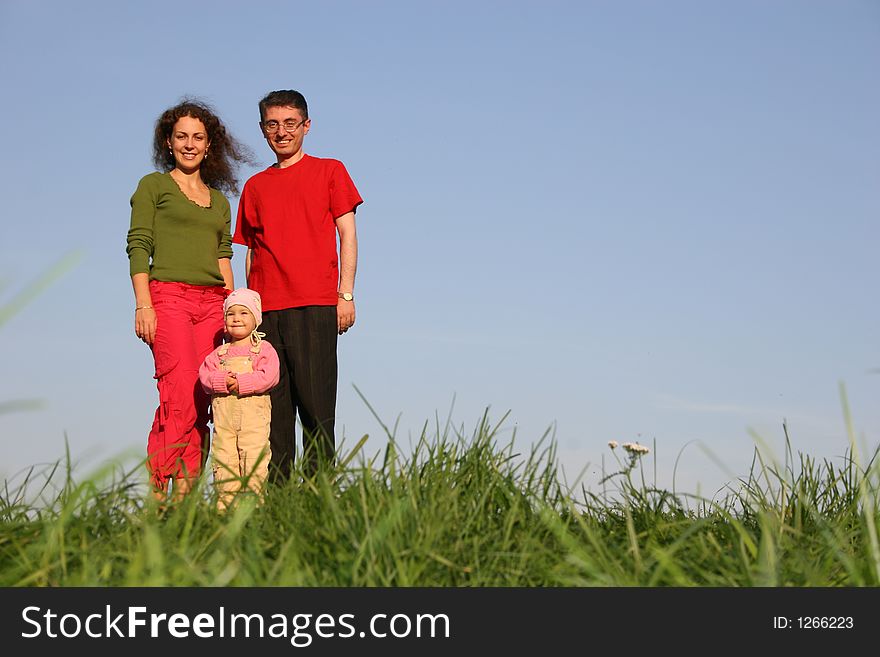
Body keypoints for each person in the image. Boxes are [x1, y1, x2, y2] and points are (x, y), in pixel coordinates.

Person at [233, 89, 363, 481]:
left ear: (307, 126)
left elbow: (348, 235)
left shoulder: (330, 171)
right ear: (262, 130)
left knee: (317, 407)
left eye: (290, 123)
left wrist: (346, 294)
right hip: (266, 312)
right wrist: (248, 310)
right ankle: (278, 501)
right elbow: (251, 251)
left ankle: (319, 497)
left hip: (316, 303)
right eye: (273, 124)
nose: (282, 132)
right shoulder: (255, 186)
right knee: (272, 411)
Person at [127, 99, 252, 502]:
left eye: (198, 137)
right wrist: (143, 304)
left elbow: (224, 258)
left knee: (204, 397)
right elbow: (138, 246)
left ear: (209, 145)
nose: (189, 144)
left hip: (213, 304)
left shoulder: (218, 201)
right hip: (168, 298)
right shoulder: (154, 186)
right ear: (168, 142)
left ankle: (187, 497)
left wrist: (237, 311)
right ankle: (162, 497)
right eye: (181, 136)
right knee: (178, 394)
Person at [198, 288, 280, 510]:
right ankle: (225, 512)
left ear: (256, 319)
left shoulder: (263, 350)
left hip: (253, 421)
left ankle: (253, 510)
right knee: (225, 462)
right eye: (231, 314)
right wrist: (222, 381)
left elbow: (270, 376)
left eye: (244, 313)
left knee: (253, 461)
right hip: (224, 424)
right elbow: (204, 376)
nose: (236, 318)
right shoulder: (219, 354)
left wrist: (242, 383)